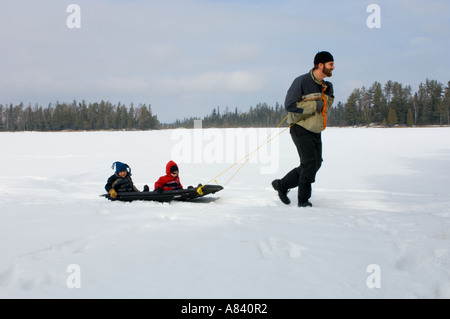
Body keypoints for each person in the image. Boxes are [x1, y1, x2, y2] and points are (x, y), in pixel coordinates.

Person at [272, 51, 335, 207]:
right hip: (300, 127)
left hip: (316, 129)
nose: (333, 67)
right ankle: (303, 201)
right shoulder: (301, 81)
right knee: (308, 164)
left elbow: (326, 108)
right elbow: (290, 105)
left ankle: (282, 185)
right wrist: (314, 105)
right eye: (330, 64)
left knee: (316, 163)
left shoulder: (327, 86)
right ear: (320, 65)